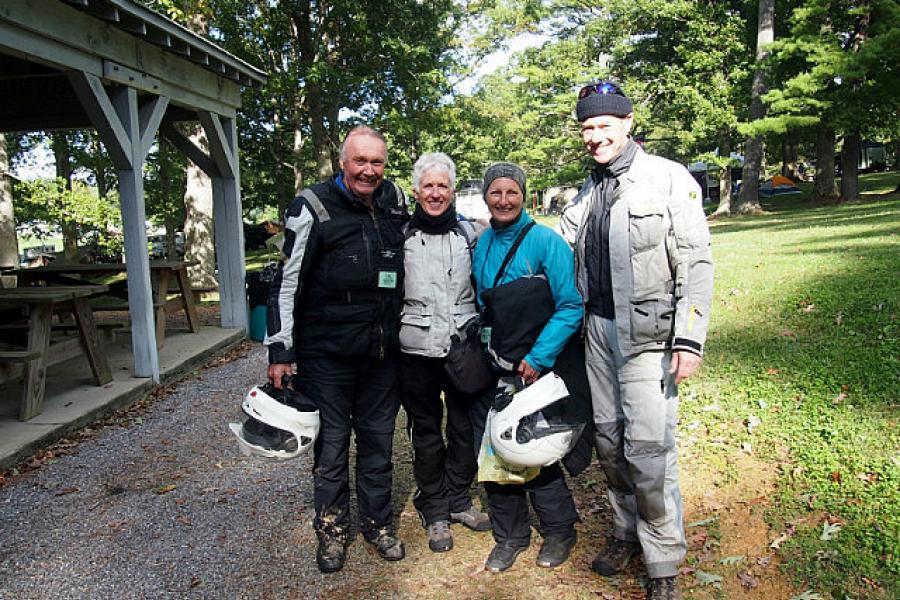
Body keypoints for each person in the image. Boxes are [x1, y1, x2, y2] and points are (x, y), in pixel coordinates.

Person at [558, 81, 714, 600]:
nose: (595, 136)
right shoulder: (586, 192)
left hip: (649, 337)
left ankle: (663, 558)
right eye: (587, 128)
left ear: (628, 123)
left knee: (649, 450)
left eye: (604, 125)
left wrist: (688, 340)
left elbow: (695, 262)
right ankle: (627, 531)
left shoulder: (669, 180)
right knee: (609, 443)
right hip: (597, 335)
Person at [264, 125, 409, 574]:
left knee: (378, 447)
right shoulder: (312, 206)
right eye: (360, 161)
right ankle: (331, 531)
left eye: (377, 162)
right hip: (327, 355)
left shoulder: (395, 200)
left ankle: (378, 524)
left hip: (382, 354)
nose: (369, 170)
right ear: (342, 163)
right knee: (330, 451)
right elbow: (285, 284)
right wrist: (281, 351)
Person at [470, 162, 585, 572]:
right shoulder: (482, 243)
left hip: (534, 365)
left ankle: (558, 530)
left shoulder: (545, 242)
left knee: (534, 447)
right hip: (494, 363)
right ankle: (510, 535)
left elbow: (571, 305)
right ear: (486, 196)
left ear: (524, 195)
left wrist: (538, 357)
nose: (503, 200)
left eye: (511, 192)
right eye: (495, 192)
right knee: (494, 450)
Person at [399, 152, 491, 553]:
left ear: (452, 192)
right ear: (416, 191)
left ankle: (458, 498)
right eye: (428, 186)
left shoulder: (471, 234)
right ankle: (434, 507)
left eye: (443, 186)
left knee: (463, 429)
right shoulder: (399, 235)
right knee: (426, 433)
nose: (435, 193)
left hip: (462, 348)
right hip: (415, 350)